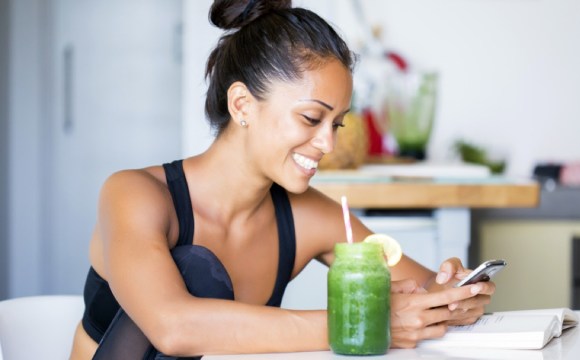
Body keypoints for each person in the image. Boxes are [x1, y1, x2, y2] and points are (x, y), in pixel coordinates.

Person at [70, 0, 495, 358]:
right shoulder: (135, 195)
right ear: (242, 105)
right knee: (195, 269)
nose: (328, 144)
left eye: (337, 124)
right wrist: (365, 325)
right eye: (311, 118)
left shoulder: (310, 216)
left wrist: (455, 296)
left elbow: (424, 289)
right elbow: (173, 326)